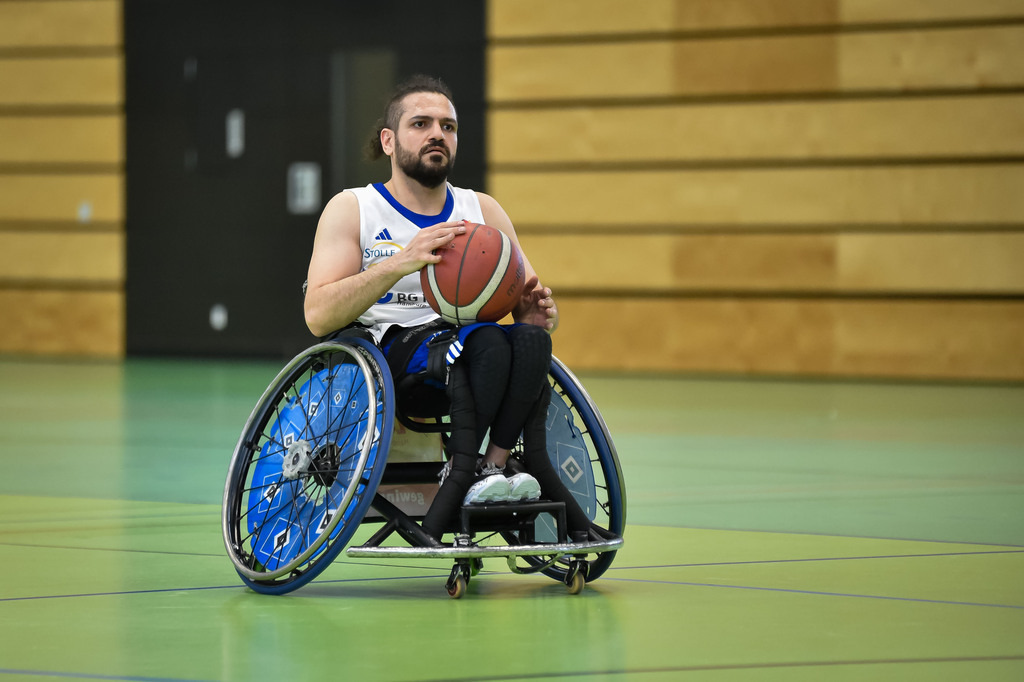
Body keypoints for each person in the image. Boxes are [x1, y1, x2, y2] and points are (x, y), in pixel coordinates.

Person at [304, 74, 600, 543]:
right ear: (388, 140)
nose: (437, 134)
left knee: (527, 340)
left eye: (448, 126)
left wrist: (537, 315)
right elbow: (318, 314)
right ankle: (465, 477)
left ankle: (492, 466)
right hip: (391, 356)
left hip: (474, 349)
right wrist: (401, 262)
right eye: (420, 123)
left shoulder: (482, 211)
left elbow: (533, 305)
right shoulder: (355, 208)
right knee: (485, 340)